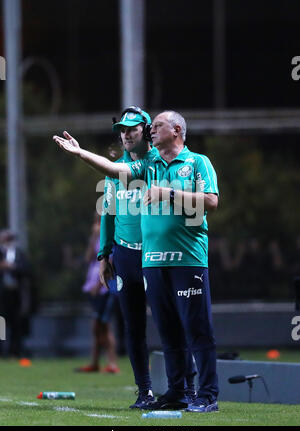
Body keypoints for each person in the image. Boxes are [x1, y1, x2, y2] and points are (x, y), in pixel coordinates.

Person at [53, 109, 219, 413]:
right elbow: (113, 175)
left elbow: (210, 202)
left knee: (194, 328)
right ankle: (172, 392)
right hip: (148, 260)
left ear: (176, 130)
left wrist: (166, 194)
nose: (148, 132)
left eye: (155, 127)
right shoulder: (147, 164)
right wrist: (80, 153)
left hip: (186, 257)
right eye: (150, 127)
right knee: (162, 328)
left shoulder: (197, 162)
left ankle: (205, 394)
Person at [98, 106, 196, 408]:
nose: (126, 135)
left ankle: (187, 389)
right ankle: (145, 390)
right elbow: (108, 214)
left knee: (176, 322)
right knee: (133, 325)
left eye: (132, 129)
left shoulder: (159, 163)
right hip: (126, 254)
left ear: (147, 131)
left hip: (159, 254)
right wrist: (104, 254)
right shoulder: (116, 171)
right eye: (122, 131)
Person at [76, 214, 120, 373]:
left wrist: (98, 284)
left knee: (103, 325)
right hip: (92, 286)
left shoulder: (112, 236)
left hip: (104, 287)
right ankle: (95, 362)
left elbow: (111, 262)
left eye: (99, 220)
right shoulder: (97, 236)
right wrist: (94, 236)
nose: (96, 224)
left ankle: (112, 363)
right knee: (96, 327)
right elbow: (89, 258)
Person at [0, 229, 34, 357]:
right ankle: (1, 351)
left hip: (15, 294)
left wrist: (12, 267)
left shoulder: (18, 254)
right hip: (2, 295)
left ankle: (14, 351)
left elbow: (27, 270)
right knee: (1, 323)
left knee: (16, 323)